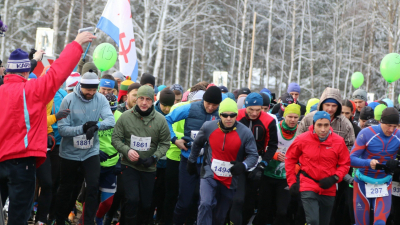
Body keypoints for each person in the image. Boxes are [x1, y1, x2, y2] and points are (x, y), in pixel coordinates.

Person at [0, 31, 95, 225]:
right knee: (18, 216)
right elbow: (57, 72)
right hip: (22, 162)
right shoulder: (34, 90)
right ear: (26, 72)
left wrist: (34, 59)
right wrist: (76, 44)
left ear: (7, 71)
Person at [55, 71, 115, 225]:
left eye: (94, 89)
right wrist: (82, 128)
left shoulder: (100, 99)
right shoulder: (68, 100)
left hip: (90, 152)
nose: (91, 93)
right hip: (69, 153)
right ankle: (58, 219)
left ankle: (88, 222)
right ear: (81, 86)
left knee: (93, 186)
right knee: (66, 188)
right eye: (88, 90)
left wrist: (96, 126)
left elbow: (110, 120)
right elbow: (62, 129)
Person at [187, 98, 258, 224]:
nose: (229, 118)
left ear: (237, 115)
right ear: (220, 115)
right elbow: (197, 144)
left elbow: (253, 155)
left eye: (232, 115)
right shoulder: (208, 127)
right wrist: (191, 161)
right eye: (225, 115)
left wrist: (243, 165)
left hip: (230, 178)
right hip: (210, 173)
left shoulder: (245, 133)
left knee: (220, 215)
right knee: (205, 203)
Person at [112, 85, 170, 224]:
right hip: (129, 166)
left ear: (153, 101)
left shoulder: (160, 120)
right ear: (136, 99)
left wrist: (154, 157)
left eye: (148, 100)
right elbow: (115, 139)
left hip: (149, 167)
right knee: (132, 199)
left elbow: (165, 143)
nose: (144, 103)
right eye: (141, 99)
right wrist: (126, 150)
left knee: (145, 204)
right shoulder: (126, 117)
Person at [165, 86, 222, 225]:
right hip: (188, 160)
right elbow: (166, 120)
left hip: (209, 164)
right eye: (208, 103)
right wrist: (174, 139)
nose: (210, 107)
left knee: (202, 201)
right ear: (203, 100)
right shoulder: (191, 108)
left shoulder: (222, 113)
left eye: (214, 105)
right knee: (184, 201)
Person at [286, 111, 350, 225]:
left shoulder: (338, 141)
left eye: (326, 125)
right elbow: (290, 159)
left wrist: (335, 178)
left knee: (324, 222)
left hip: (328, 186)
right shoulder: (302, 139)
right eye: (319, 125)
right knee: (313, 221)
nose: (323, 129)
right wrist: (292, 182)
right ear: (313, 125)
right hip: (308, 184)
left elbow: (345, 164)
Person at [232, 92, 278, 224]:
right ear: (245, 107)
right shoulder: (237, 115)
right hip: (238, 160)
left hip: (256, 162)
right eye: (251, 109)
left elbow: (273, 145)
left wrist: (262, 165)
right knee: (237, 200)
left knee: (250, 202)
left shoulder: (269, 120)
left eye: (258, 110)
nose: (254, 113)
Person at [350, 107, 400, 225]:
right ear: (381, 121)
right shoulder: (366, 133)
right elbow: (351, 159)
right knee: (361, 223)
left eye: (395, 126)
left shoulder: (398, 135)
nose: (391, 129)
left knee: (380, 223)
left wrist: (397, 163)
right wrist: (368, 162)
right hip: (362, 183)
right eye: (388, 125)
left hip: (384, 183)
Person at [163, 89, 205, 225]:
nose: (202, 107)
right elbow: (166, 121)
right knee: (178, 196)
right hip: (179, 157)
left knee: (200, 199)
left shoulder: (216, 113)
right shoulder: (182, 108)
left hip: (205, 162)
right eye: (197, 103)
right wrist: (176, 139)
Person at [254, 103, 300, 225]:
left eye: (296, 117)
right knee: (263, 211)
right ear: (284, 116)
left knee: (282, 212)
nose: (292, 120)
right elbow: (263, 148)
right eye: (290, 116)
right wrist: (273, 155)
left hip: (286, 178)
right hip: (268, 174)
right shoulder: (275, 128)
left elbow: (303, 155)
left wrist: (296, 167)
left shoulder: (300, 133)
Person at [95, 93, 122, 225]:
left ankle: (99, 217)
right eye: (108, 110)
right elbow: (82, 135)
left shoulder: (120, 117)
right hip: (93, 162)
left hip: (112, 163)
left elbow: (126, 140)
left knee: (107, 202)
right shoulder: (93, 113)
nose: (110, 113)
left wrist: (120, 160)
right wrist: (94, 151)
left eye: (113, 110)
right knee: (90, 198)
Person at [150, 88, 176, 223]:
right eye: (164, 105)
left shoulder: (175, 113)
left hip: (168, 161)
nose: (166, 109)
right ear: (159, 102)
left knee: (164, 195)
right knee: (151, 195)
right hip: (153, 160)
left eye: (169, 106)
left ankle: (161, 219)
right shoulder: (152, 112)